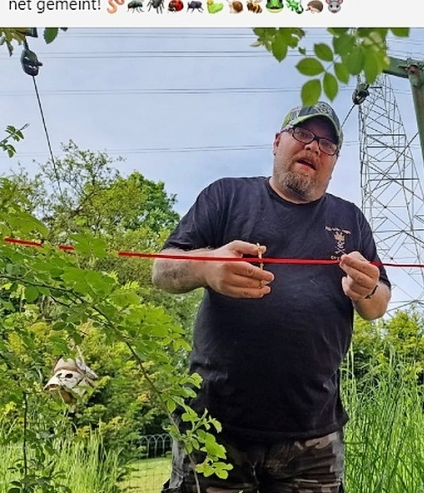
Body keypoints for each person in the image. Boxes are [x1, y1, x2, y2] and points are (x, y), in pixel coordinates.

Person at [152, 101, 391, 493]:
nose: (314, 147)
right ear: (277, 142)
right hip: (214, 423)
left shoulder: (351, 221)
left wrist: (366, 290)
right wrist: (208, 266)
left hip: (313, 434)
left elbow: (378, 303)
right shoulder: (227, 196)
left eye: (328, 144)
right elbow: (161, 269)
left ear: (333, 162)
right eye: (303, 134)